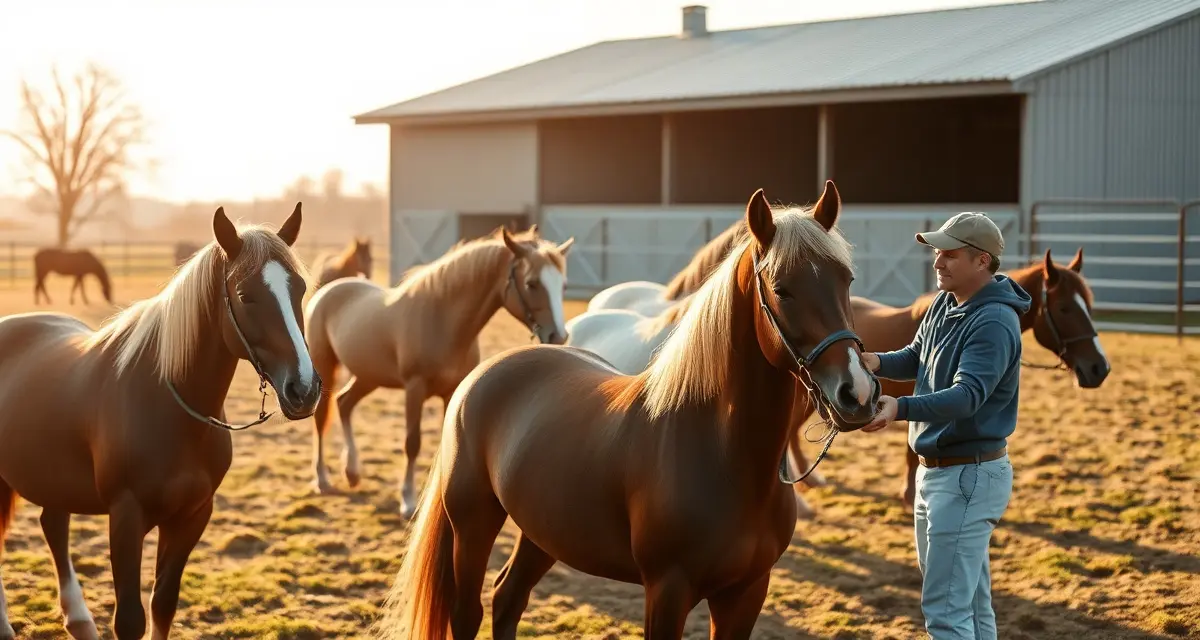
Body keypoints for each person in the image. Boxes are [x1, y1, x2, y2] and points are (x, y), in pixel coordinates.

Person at [861, 211, 1031, 639]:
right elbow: (917, 356)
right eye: (937, 252)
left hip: (966, 477)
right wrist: (874, 361)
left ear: (982, 261)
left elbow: (967, 396)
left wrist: (898, 408)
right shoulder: (946, 302)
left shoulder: (993, 321)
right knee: (970, 604)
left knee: (946, 612)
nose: (937, 261)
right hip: (938, 472)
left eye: (950, 254)